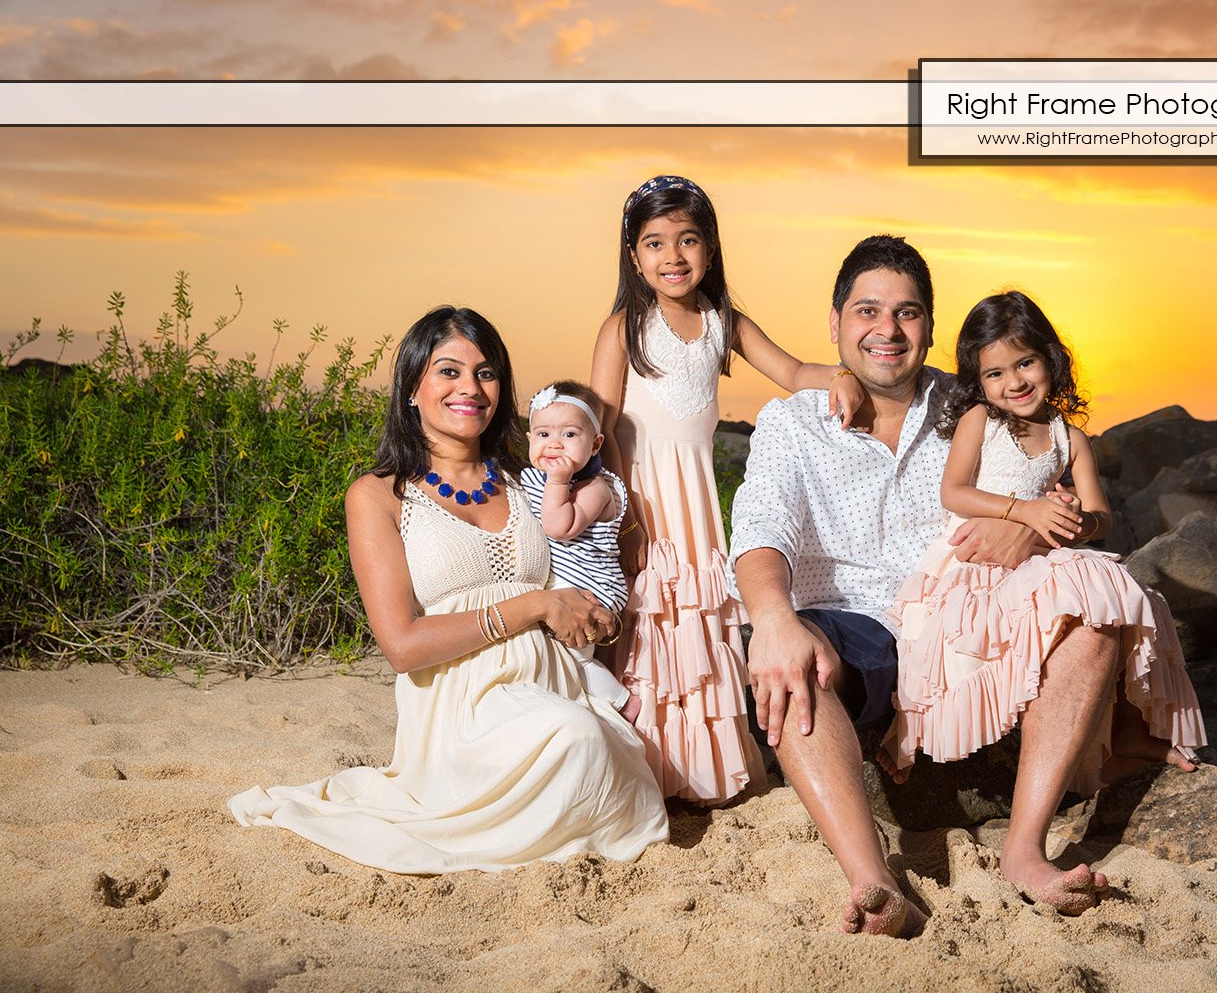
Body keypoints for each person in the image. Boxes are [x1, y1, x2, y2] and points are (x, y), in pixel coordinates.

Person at [730, 237, 1200, 934]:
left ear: (929, 326)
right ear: (835, 325)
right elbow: (761, 522)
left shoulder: (974, 400)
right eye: (868, 311)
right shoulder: (794, 421)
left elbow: (1057, 496)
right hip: (857, 623)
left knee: (1094, 612)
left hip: (972, 617)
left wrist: (1035, 530)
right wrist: (771, 613)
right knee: (789, 654)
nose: (887, 330)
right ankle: (872, 882)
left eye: (908, 313)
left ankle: (1025, 853)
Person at [229, 306, 668, 873]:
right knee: (576, 741)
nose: (471, 388)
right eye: (449, 371)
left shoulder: (528, 479)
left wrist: (598, 611)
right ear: (413, 386)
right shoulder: (378, 495)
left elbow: (586, 559)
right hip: (461, 701)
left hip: (555, 680)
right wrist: (535, 604)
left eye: (486, 373)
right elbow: (401, 645)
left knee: (618, 756)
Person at [883, 290, 1207, 844]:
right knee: (1096, 584)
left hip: (1041, 561)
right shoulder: (982, 421)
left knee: (1113, 586)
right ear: (978, 383)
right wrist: (1024, 510)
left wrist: (1081, 524)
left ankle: (1129, 728)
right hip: (978, 564)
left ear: (1051, 359)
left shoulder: (1069, 437)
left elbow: (1102, 514)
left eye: (1025, 363)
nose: (1013, 382)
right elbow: (954, 491)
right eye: (994, 373)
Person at [591, 174, 865, 805]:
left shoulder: (723, 323)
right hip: (641, 508)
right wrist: (623, 523)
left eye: (688, 240)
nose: (673, 257)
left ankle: (703, 773)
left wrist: (840, 373)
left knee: (700, 629)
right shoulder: (622, 329)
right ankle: (646, 775)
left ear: (710, 248)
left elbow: (793, 370)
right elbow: (600, 431)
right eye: (655, 243)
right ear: (634, 255)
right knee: (648, 633)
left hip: (696, 512)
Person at [520, 379, 641, 723]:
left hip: (591, 587)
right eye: (543, 435)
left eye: (569, 435)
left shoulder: (597, 487)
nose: (554, 444)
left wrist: (558, 483)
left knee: (573, 655)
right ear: (529, 439)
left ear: (595, 444)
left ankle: (623, 702)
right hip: (557, 583)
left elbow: (559, 526)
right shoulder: (532, 478)